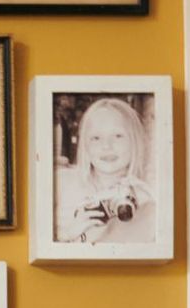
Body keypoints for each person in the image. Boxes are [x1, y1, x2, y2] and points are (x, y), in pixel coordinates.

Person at [55, 96, 157, 245]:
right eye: (96, 138)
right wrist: (66, 236)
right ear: (85, 146)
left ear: (134, 142)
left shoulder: (143, 199)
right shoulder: (61, 185)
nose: (107, 146)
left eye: (118, 136)